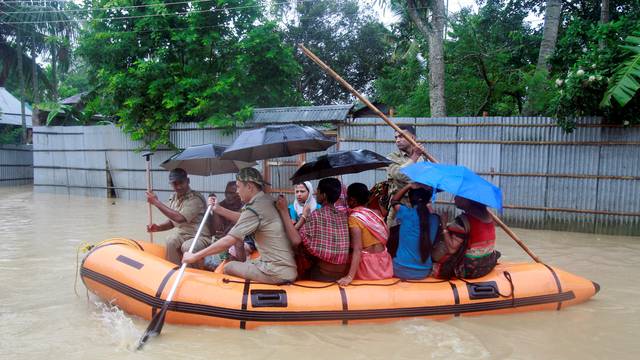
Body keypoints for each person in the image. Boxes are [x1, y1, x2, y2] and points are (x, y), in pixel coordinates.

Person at [182, 167, 297, 284]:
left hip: (276, 272)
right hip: (285, 267)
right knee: (246, 263)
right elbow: (245, 219)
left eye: (238, 186)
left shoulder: (255, 208)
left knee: (228, 267)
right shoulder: (267, 200)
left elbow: (229, 240)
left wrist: (195, 256)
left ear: (249, 187)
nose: (237, 191)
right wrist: (219, 209)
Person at [276, 178, 350, 282]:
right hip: (342, 271)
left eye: (318, 191)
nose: (316, 193)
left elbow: (296, 240)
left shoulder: (317, 214)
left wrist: (284, 212)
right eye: (297, 192)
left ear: (323, 195)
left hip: (323, 272)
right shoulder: (343, 216)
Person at [145, 168, 211, 265]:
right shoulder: (174, 198)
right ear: (171, 185)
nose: (179, 186)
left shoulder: (196, 199)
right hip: (183, 235)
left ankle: (191, 273)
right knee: (170, 240)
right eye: (175, 184)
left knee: (187, 247)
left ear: (188, 181)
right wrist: (158, 227)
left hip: (200, 236)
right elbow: (172, 222)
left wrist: (156, 203)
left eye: (181, 182)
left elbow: (180, 218)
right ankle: (174, 270)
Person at [337, 183, 393, 286]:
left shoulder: (354, 218)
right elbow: (386, 235)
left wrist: (349, 277)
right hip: (384, 263)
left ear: (352, 200)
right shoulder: (376, 213)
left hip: (367, 267)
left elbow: (357, 249)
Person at [432, 196, 500, 279]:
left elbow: (452, 249)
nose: (455, 198)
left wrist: (444, 226)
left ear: (468, 200)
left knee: (440, 247)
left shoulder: (463, 220)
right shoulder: (489, 216)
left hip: (470, 269)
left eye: (458, 196)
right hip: (488, 263)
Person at [390, 183, 442, 280]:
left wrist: (408, 186)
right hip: (424, 272)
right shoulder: (435, 219)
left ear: (410, 199)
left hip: (400, 270)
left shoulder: (405, 213)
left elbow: (394, 201)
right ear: (428, 199)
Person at [386, 124, 427, 227]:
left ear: (412, 138)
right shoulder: (391, 158)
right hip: (398, 207)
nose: (398, 140)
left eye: (401, 136)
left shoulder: (423, 159)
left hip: (418, 207)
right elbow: (400, 174)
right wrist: (415, 156)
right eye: (396, 137)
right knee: (394, 240)